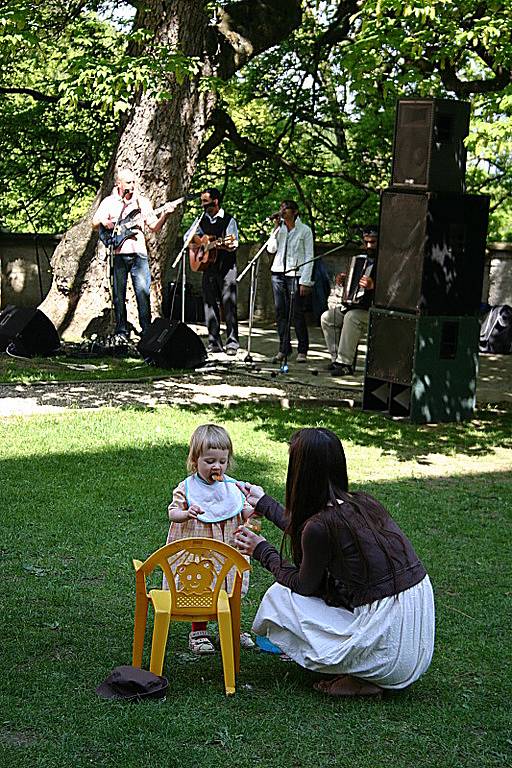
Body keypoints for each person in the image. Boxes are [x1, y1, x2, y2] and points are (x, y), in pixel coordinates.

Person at [234, 428, 435, 696]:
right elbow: (309, 530)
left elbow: (304, 585)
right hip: (416, 643)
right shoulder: (362, 503)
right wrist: (264, 503)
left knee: (280, 597)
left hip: (389, 652)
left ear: (300, 472)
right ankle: (364, 671)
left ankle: (361, 673)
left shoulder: (320, 526)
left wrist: (262, 550)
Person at [164, 423, 255, 655]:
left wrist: (253, 511)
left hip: (228, 543)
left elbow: (245, 511)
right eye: (210, 461)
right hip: (199, 546)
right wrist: (185, 514)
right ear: (195, 461)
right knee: (201, 583)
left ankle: (232, 626)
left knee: (229, 581)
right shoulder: (187, 488)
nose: (217, 466)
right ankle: (199, 630)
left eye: (222, 461)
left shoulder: (232, 487)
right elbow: (172, 512)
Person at [92, 168, 178, 340]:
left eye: (133, 182)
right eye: (129, 182)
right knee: (118, 294)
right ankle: (121, 330)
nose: (132, 186)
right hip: (118, 254)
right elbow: (95, 222)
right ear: (119, 183)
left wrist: (165, 215)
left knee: (142, 293)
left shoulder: (142, 202)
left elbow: (153, 227)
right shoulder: (110, 201)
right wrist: (110, 222)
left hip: (139, 254)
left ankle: (146, 329)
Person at [186, 188, 239, 355]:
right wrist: (200, 244)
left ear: (216, 202)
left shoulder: (228, 220)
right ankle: (214, 342)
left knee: (228, 304)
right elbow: (187, 238)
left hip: (226, 267)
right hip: (208, 268)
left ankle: (232, 343)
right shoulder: (201, 220)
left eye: (206, 202)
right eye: (201, 202)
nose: (203, 206)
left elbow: (233, 243)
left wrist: (223, 245)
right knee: (209, 304)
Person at [320, 225, 378, 376]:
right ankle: (336, 360)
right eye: (366, 242)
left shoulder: (387, 263)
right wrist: (344, 281)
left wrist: (374, 286)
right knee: (327, 317)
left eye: (373, 242)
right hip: (356, 307)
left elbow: (394, 291)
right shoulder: (361, 260)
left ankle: (346, 364)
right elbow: (353, 285)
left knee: (352, 317)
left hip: (375, 310)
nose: (369, 246)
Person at [267, 200, 314, 363]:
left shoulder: (305, 230)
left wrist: (305, 280)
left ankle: (303, 350)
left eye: (285, 209)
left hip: (296, 274)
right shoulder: (279, 229)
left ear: (294, 212)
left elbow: (310, 256)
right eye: (281, 208)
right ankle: (284, 348)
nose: (282, 211)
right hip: (278, 273)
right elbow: (270, 249)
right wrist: (274, 229)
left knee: (296, 313)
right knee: (280, 312)